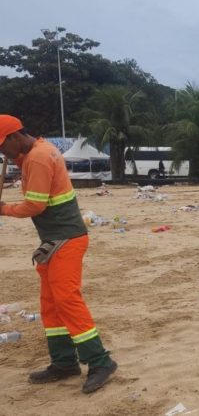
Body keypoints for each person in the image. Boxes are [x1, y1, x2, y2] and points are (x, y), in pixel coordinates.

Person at [0, 115, 117, 394]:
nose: (1, 153)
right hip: (54, 240)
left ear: (15, 137)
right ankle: (64, 363)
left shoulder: (39, 158)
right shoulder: (34, 153)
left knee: (67, 300)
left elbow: (35, 206)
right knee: (50, 304)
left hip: (66, 239)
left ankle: (101, 361)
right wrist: (16, 161)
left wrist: (3, 209)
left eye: (2, 147)